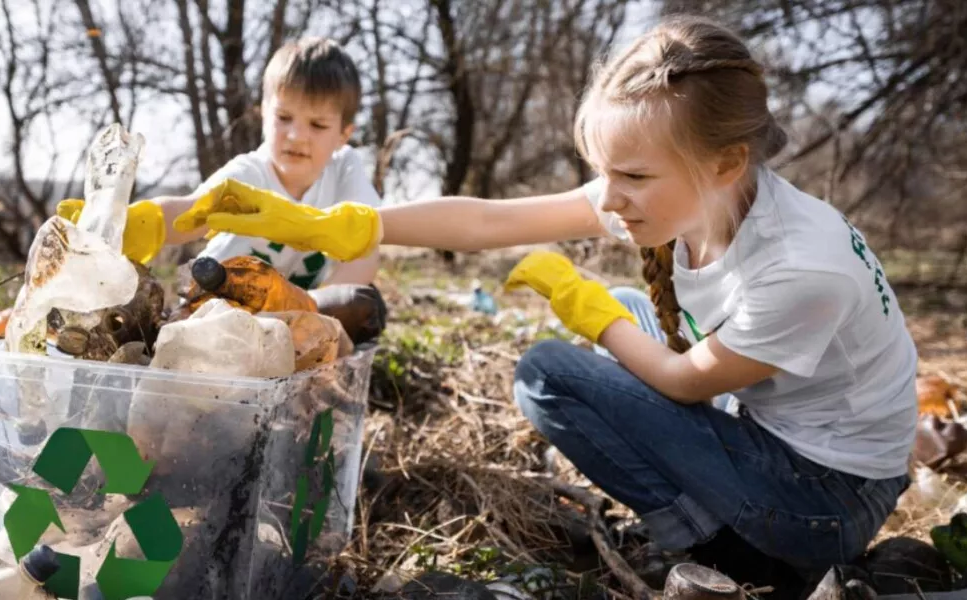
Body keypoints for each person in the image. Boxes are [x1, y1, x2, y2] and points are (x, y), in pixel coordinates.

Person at [171, 14, 918, 594]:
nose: (609, 198)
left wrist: (583, 307)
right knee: (631, 303)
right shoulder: (696, 189)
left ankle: (720, 548)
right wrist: (346, 225)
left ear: (724, 161)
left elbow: (688, 382)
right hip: (777, 439)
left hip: (825, 501)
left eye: (628, 178)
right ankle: (711, 524)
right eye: (602, 174)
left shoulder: (800, 267)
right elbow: (491, 220)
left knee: (551, 371)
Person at [57, 36, 383, 291]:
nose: (297, 136)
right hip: (219, 304)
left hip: (303, 310)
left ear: (343, 134)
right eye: (284, 117)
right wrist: (140, 222)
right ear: (263, 114)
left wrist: (316, 310)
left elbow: (368, 250)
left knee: (364, 308)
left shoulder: (344, 169)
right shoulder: (248, 173)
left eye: (318, 125)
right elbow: (190, 212)